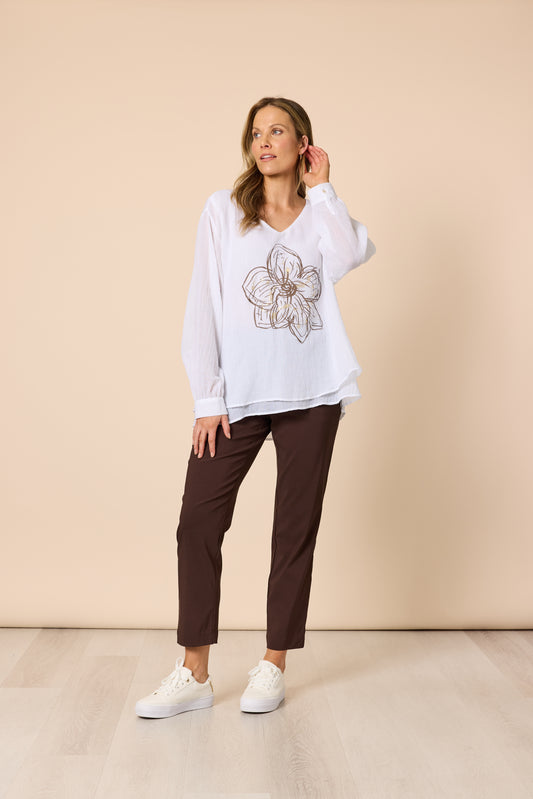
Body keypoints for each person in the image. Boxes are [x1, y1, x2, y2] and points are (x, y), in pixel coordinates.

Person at [135, 96, 376, 719]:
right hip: (237, 397)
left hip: (313, 392)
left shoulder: (322, 217)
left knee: (294, 530)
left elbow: (348, 257)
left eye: (277, 131)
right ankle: (194, 672)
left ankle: (274, 663)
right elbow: (204, 304)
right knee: (198, 521)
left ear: (303, 144)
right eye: (255, 132)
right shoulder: (223, 211)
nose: (263, 141)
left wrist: (324, 188)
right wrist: (207, 396)